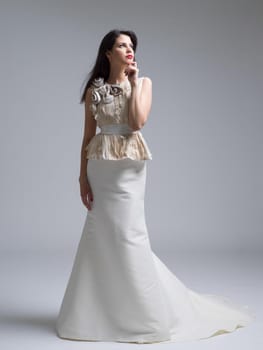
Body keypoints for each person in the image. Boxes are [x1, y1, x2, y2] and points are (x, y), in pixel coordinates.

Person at [55, 29, 255, 344]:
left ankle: (144, 316)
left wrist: (133, 83)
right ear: (108, 53)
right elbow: (86, 137)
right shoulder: (95, 91)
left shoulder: (144, 83)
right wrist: (81, 177)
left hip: (129, 169)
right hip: (100, 168)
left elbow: (136, 122)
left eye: (131, 46)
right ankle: (98, 314)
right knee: (100, 234)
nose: (129, 50)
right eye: (121, 45)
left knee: (129, 235)